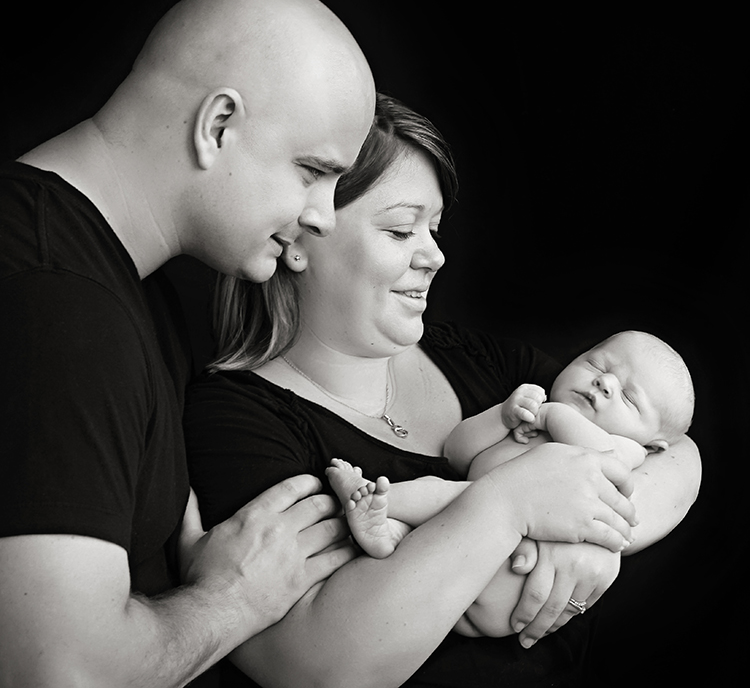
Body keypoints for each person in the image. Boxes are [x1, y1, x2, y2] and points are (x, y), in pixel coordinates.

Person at [183, 93, 701, 687]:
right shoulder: (236, 418)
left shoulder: (481, 362)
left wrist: (594, 536)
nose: (435, 256)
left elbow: (679, 451)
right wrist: (510, 506)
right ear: (301, 233)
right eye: (401, 230)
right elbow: (315, 667)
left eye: (433, 229)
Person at [0, 0, 376, 686]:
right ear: (218, 125)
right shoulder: (58, 308)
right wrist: (236, 600)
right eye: (312, 171)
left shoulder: (132, 290)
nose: (325, 217)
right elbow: (64, 674)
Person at [326, 328, 695, 637]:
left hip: (513, 575)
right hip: (446, 560)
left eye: (629, 397)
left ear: (653, 445)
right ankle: (386, 525)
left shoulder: (627, 449)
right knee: (445, 493)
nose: (604, 381)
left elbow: (602, 460)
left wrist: (554, 415)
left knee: (455, 496)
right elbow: (457, 452)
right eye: (596, 364)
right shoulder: (529, 404)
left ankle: (377, 502)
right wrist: (501, 417)